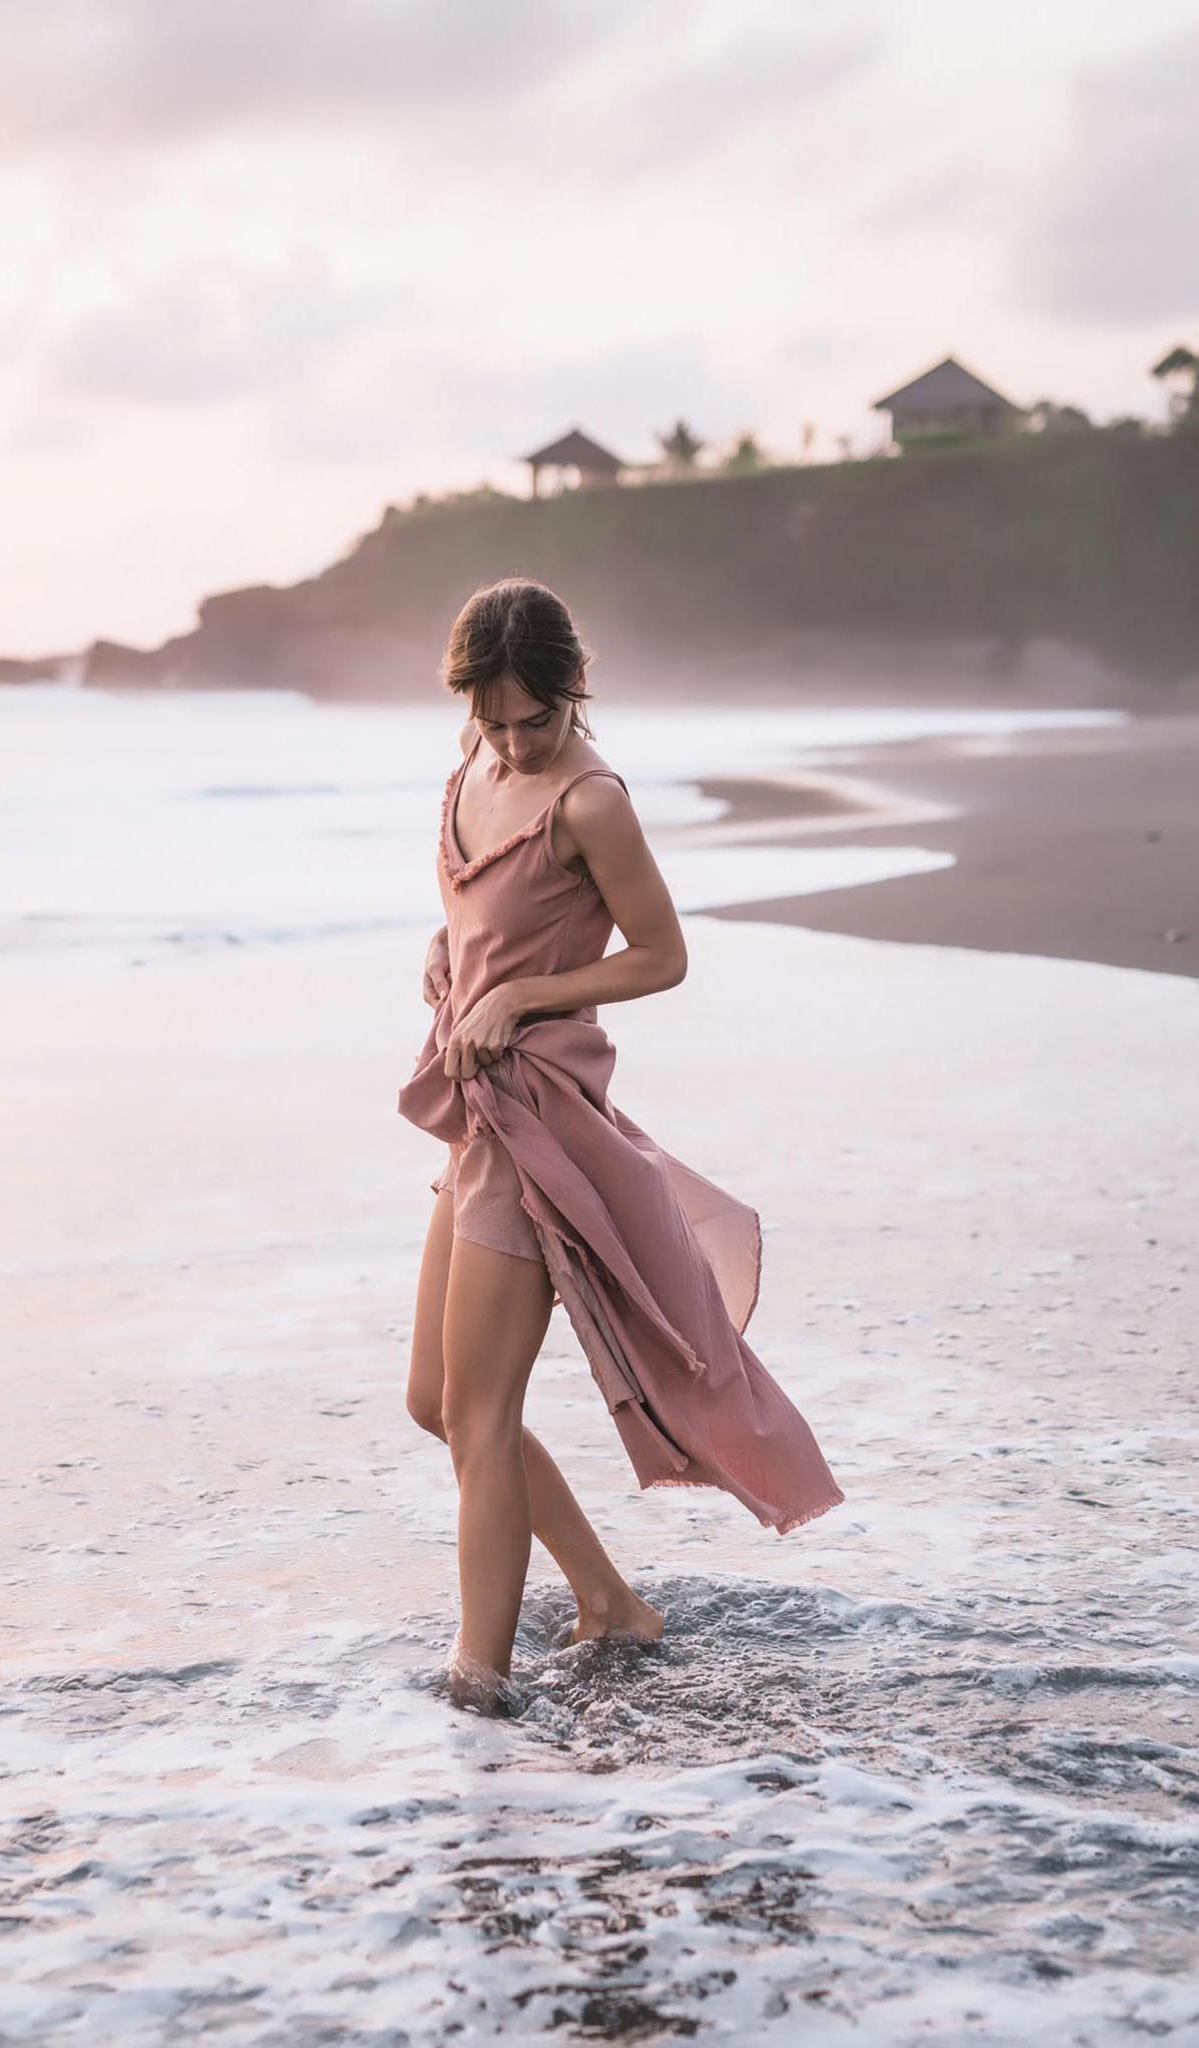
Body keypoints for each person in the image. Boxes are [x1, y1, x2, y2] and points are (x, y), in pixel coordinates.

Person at [399, 579, 844, 1712]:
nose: (512, 737)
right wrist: (453, 976)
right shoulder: (469, 777)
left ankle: (478, 1683)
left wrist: (529, 996)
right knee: (435, 1401)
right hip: (477, 1111)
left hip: (541, 1120)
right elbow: (473, 921)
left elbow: (661, 954)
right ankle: (608, 1600)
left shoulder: (591, 801)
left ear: (572, 690)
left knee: (482, 1413)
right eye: (492, 717)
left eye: (533, 718)